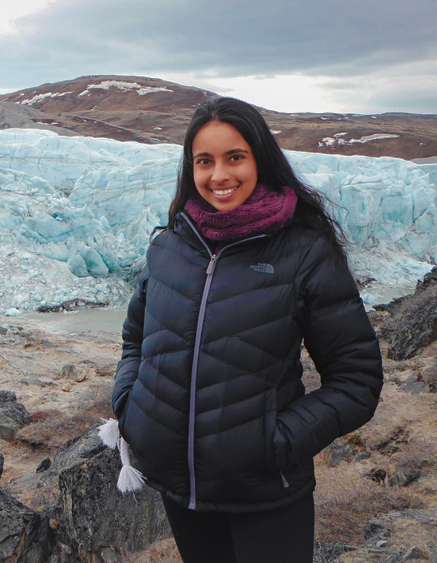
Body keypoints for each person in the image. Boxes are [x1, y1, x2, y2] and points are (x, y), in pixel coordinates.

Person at [111, 97, 383, 563]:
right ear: (190, 168)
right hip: (180, 485)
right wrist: (131, 405)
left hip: (265, 490)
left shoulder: (303, 253)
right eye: (205, 161)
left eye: (235, 157)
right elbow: (136, 339)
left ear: (260, 159)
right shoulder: (171, 246)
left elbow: (357, 380)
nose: (219, 175)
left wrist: (276, 443)